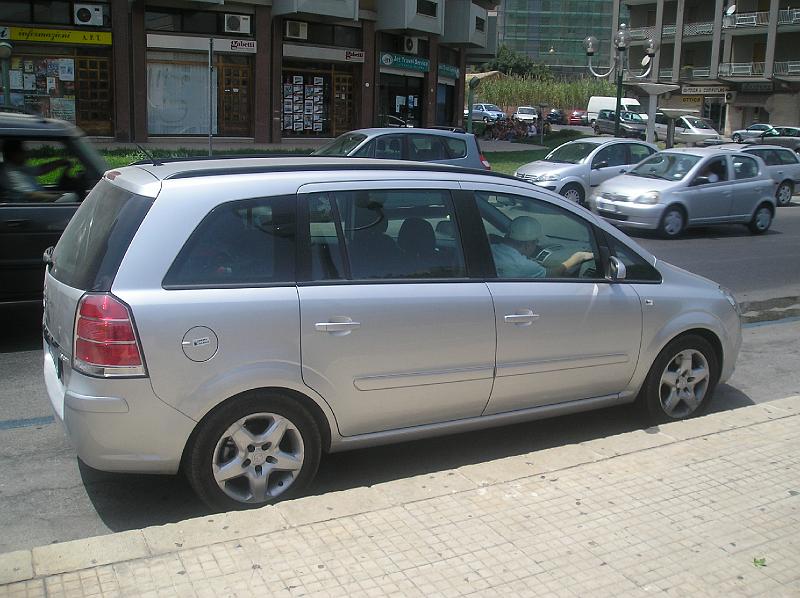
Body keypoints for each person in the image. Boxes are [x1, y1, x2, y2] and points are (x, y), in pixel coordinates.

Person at [491, 216, 594, 278]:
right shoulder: (524, 266)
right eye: (536, 242)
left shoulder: (492, 248)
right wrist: (577, 258)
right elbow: (553, 274)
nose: (537, 245)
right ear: (527, 245)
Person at [0, 139, 76, 203]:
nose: (27, 154)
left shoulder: (18, 166)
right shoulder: (10, 173)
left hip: (36, 204)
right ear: (14, 154)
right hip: (29, 209)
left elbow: (40, 169)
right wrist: (58, 198)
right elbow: (31, 195)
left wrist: (61, 162)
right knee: (72, 198)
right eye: (23, 151)